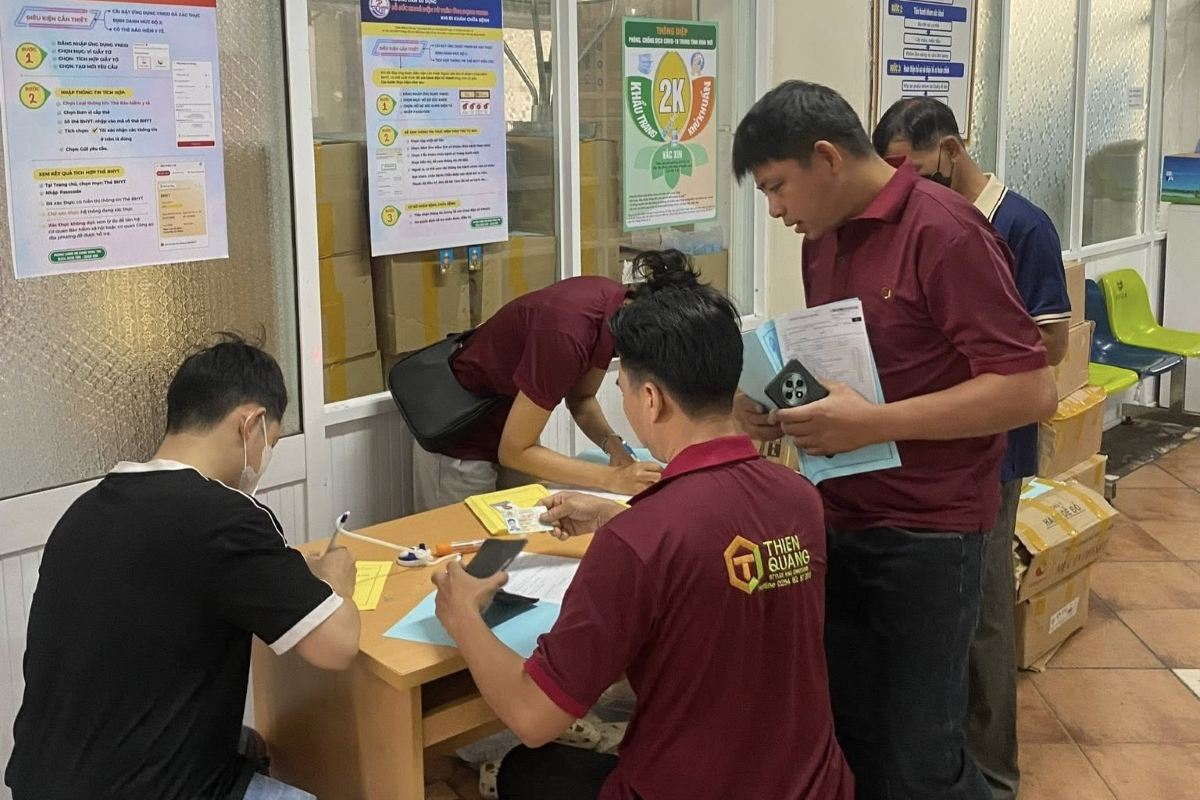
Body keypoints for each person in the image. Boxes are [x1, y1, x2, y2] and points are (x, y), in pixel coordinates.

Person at [731, 81, 1057, 800]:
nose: (777, 210)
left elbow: (1029, 388)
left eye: (778, 187)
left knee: (920, 758)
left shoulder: (945, 231)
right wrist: (774, 405)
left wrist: (875, 425)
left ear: (826, 158)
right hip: (841, 514)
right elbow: (858, 369)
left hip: (928, 533)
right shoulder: (824, 240)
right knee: (856, 735)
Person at [430, 251, 854, 800]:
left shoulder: (641, 542)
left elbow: (535, 717)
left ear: (650, 399)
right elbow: (720, 552)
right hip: (812, 786)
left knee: (525, 769)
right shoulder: (799, 499)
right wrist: (616, 517)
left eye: (623, 390)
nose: (624, 402)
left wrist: (463, 616)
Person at [6, 335, 361, 800]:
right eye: (270, 442)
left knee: (250, 743)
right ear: (250, 424)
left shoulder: (86, 511)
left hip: (41, 782)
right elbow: (337, 647)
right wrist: (335, 579)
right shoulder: (225, 516)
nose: (264, 460)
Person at [873, 97, 1072, 800]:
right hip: (929, 447)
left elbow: (1049, 345)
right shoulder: (911, 227)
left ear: (951, 149)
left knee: (985, 615)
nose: (900, 182)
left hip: (996, 448)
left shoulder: (1021, 225)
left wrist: (964, 346)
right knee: (940, 615)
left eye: (909, 165)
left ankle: (993, 775)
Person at [412, 275, 662, 512]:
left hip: (512, 422)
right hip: (461, 434)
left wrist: (614, 446)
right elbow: (515, 451)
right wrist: (613, 478)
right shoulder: (568, 333)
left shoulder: (617, 313)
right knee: (464, 544)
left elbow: (581, 400)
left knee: (526, 530)